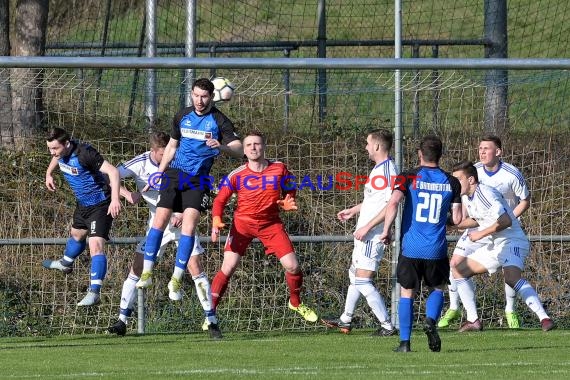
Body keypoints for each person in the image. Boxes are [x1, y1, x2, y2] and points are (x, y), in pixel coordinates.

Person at [134, 78, 242, 336]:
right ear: (191, 94)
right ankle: (147, 273)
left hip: (198, 179)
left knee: (190, 228)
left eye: (204, 96)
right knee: (159, 220)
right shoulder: (182, 115)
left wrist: (223, 146)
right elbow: (172, 145)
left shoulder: (219, 121)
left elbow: (239, 149)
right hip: (174, 174)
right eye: (196, 95)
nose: (199, 100)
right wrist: (159, 172)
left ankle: (176, 279)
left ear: (211, 96)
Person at [107, 132, 215, 338]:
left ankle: (211, 320)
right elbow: (109, 174)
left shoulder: (184, 162)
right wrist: (126, 194)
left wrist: (183, 212)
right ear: (154, 151)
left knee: (195, 268)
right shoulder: (140, 163)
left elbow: (198, 192)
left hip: (182, 223)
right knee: (137, 267)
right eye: (164, 154)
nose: (170, 157)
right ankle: (121, 321)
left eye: (171, 153)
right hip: (157, 226)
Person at [209, 131, 318, 323]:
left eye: (257, 144)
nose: (253, 147)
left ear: (264, 147)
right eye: (249, 144)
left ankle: (295, 302)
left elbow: (291, 187)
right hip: (242, 225)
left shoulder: (279, 168)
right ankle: (210, 315)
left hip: (271, 224)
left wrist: (288, 200)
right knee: (228, 267)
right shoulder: (237, 175)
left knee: (293, 266)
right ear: (244, 150)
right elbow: (219, 200)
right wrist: (216, 220)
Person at [377, 135, 462, 352]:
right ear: (440, 155)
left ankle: (405, 343)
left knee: (407, 292)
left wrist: (387, 231)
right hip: (436, 248)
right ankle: (431, 321)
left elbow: (394, 202)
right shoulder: (452, 182)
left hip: (411, 247)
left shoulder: (408, 177)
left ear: (419, 154)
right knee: (438, 288)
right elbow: (458, 219)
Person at [448, 160, 554, 332]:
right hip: (495, 245)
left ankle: (544, 318)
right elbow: (477, 219)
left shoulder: (485, 193)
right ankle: (473, 320)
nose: (455, 183)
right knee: (459, 270)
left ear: (471, 180)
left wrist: (481, 234)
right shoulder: (469, 197)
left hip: (512, 240)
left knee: (512, 278)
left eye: (458, 179)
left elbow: (504, 221)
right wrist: (453, 224)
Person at [439, 135, 531, 330]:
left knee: (510, 269)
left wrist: (508, 219)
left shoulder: (511, 174)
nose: (482, 152)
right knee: (454, 264)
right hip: (476, 226)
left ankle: (510, 309)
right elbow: (467, 202)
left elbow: (525, 200)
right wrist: (458, 222)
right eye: (480, 148)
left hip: (502, 227)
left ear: (498, 152)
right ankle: (456, 308)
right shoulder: (473, 172)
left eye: (486, 148)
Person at [321, 129, 397, 336]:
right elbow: (374, 201)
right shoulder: (378, 169)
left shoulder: (389, 171)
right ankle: (345, 320)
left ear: (377, 146)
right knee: (354, 275)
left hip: (373, 235)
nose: (365, 147)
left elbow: (391, 205)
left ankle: (387, 325)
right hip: (365, 232)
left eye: (367, 143)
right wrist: (354, 210)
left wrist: (369, 227)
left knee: (363, 280)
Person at [42, 127, 121, 306]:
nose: (52, 152)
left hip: (101, 205)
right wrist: (48, 173)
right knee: (76, 235)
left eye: (55, 148)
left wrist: (115, 199)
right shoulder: (59, 153)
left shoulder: (86, 154)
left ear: (66, 144)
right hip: (83, 204)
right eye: (49, 149)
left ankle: (94, 292)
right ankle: (65, 263)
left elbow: (114, 172)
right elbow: (56, 158)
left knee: (95, 245)